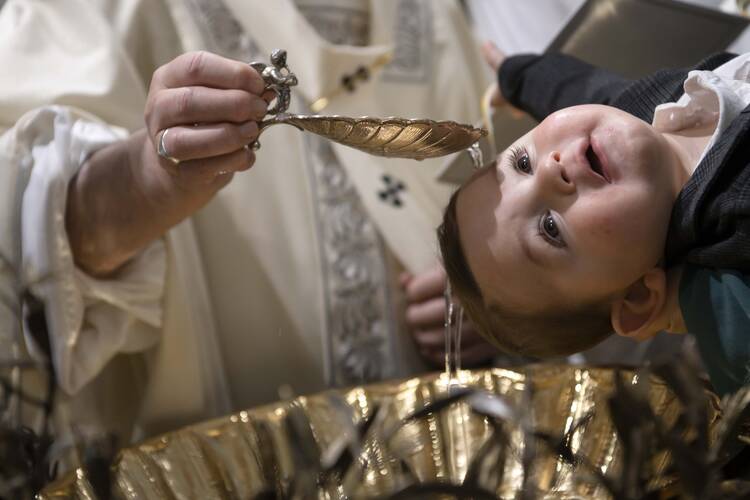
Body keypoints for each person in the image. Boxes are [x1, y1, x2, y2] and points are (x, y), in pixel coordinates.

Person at [0, 0, 499, 446]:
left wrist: (496, 301)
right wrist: (145, 181)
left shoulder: (436, 15)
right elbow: (28, 231)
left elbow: (500, 198)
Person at [439, 43, 750, 396]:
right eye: (550, 228)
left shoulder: (631, 110)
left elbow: (575, 87)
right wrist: (696, 301)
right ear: (637, 296)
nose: (548, 170)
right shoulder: (733, 223)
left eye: (522, 163)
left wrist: (516, 76)